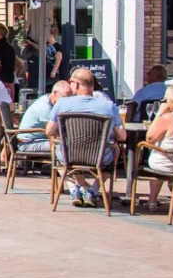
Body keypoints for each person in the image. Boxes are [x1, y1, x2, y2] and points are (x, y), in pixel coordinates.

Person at [45, 68, 127, 208]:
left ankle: (73, 188)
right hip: (99, 157)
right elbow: (123, 136)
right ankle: (93, 191)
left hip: (69, 155)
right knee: (116, 150)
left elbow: (49, 131)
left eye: (70, 82)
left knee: (57, 150)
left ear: (76, 84)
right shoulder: (108, 106)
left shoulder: (61, 104)